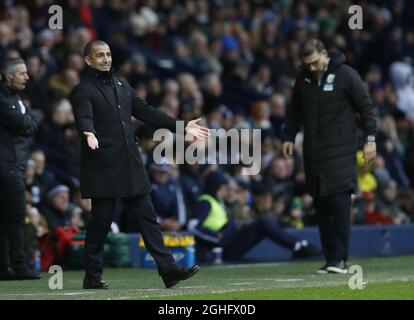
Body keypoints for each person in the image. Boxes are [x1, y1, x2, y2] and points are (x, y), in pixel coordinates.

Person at [70, 40, 209, 289]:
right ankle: (92, 275)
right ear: (88, 60)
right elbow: (84, 116)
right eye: (99, 55)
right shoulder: (83, 90)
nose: (106, 59)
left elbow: (147, 111)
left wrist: (182, 126)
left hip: (130, 164)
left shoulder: (121, 84)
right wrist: (88, 132)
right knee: (100, 222)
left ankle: (168, 270)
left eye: (108, 54)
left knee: (148, 217)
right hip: (102, 165)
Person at [282, 39, 377, 274]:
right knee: (322, 209)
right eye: (307, 64)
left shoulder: (346, 74)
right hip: (314, 156)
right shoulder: (303, 79)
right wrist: (288, 137)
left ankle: (341, 260)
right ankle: (331, 260)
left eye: (315, 62)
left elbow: (366, 108)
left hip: (341, 153)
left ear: (325, 54)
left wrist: (370, 140)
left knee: (339, 207)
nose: (311, 68)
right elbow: (294, 111)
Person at [188, 171, 320, 262]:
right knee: (262, 223)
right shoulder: (205, 202)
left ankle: (298, 245)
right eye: (223, 188)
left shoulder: (219, 203)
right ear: (216, 187)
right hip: (219, 247)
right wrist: (216, 237)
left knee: (263, 223)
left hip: (227, 241)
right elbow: (192, 227)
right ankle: (298, 245)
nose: (225, 191)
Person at [0, 58, 41, 280]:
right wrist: (25, 123)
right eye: (22, 73)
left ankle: (5, 268)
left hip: (14, 164)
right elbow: (24, 124)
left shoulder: (17, 99)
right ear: (9, 76)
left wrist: (25, 123)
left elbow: (32, 124)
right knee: (15, 217)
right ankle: (19, 266)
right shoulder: (2, 99)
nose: (27, 77)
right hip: (8, 166)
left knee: (7, 219)